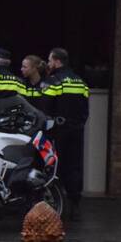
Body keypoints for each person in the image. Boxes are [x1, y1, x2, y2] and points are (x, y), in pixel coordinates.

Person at [41, 47, 89, 219]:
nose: (48, 63)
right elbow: (85, 110)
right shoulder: (80, 81)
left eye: (49, 60)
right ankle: (75, 206)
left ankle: (56, 201)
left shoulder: (54, 81)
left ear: (56, 61)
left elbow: (44, 106)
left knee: (55, 166)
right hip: (77, 130)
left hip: (58, 131)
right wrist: (78, 124)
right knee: (75, 167)